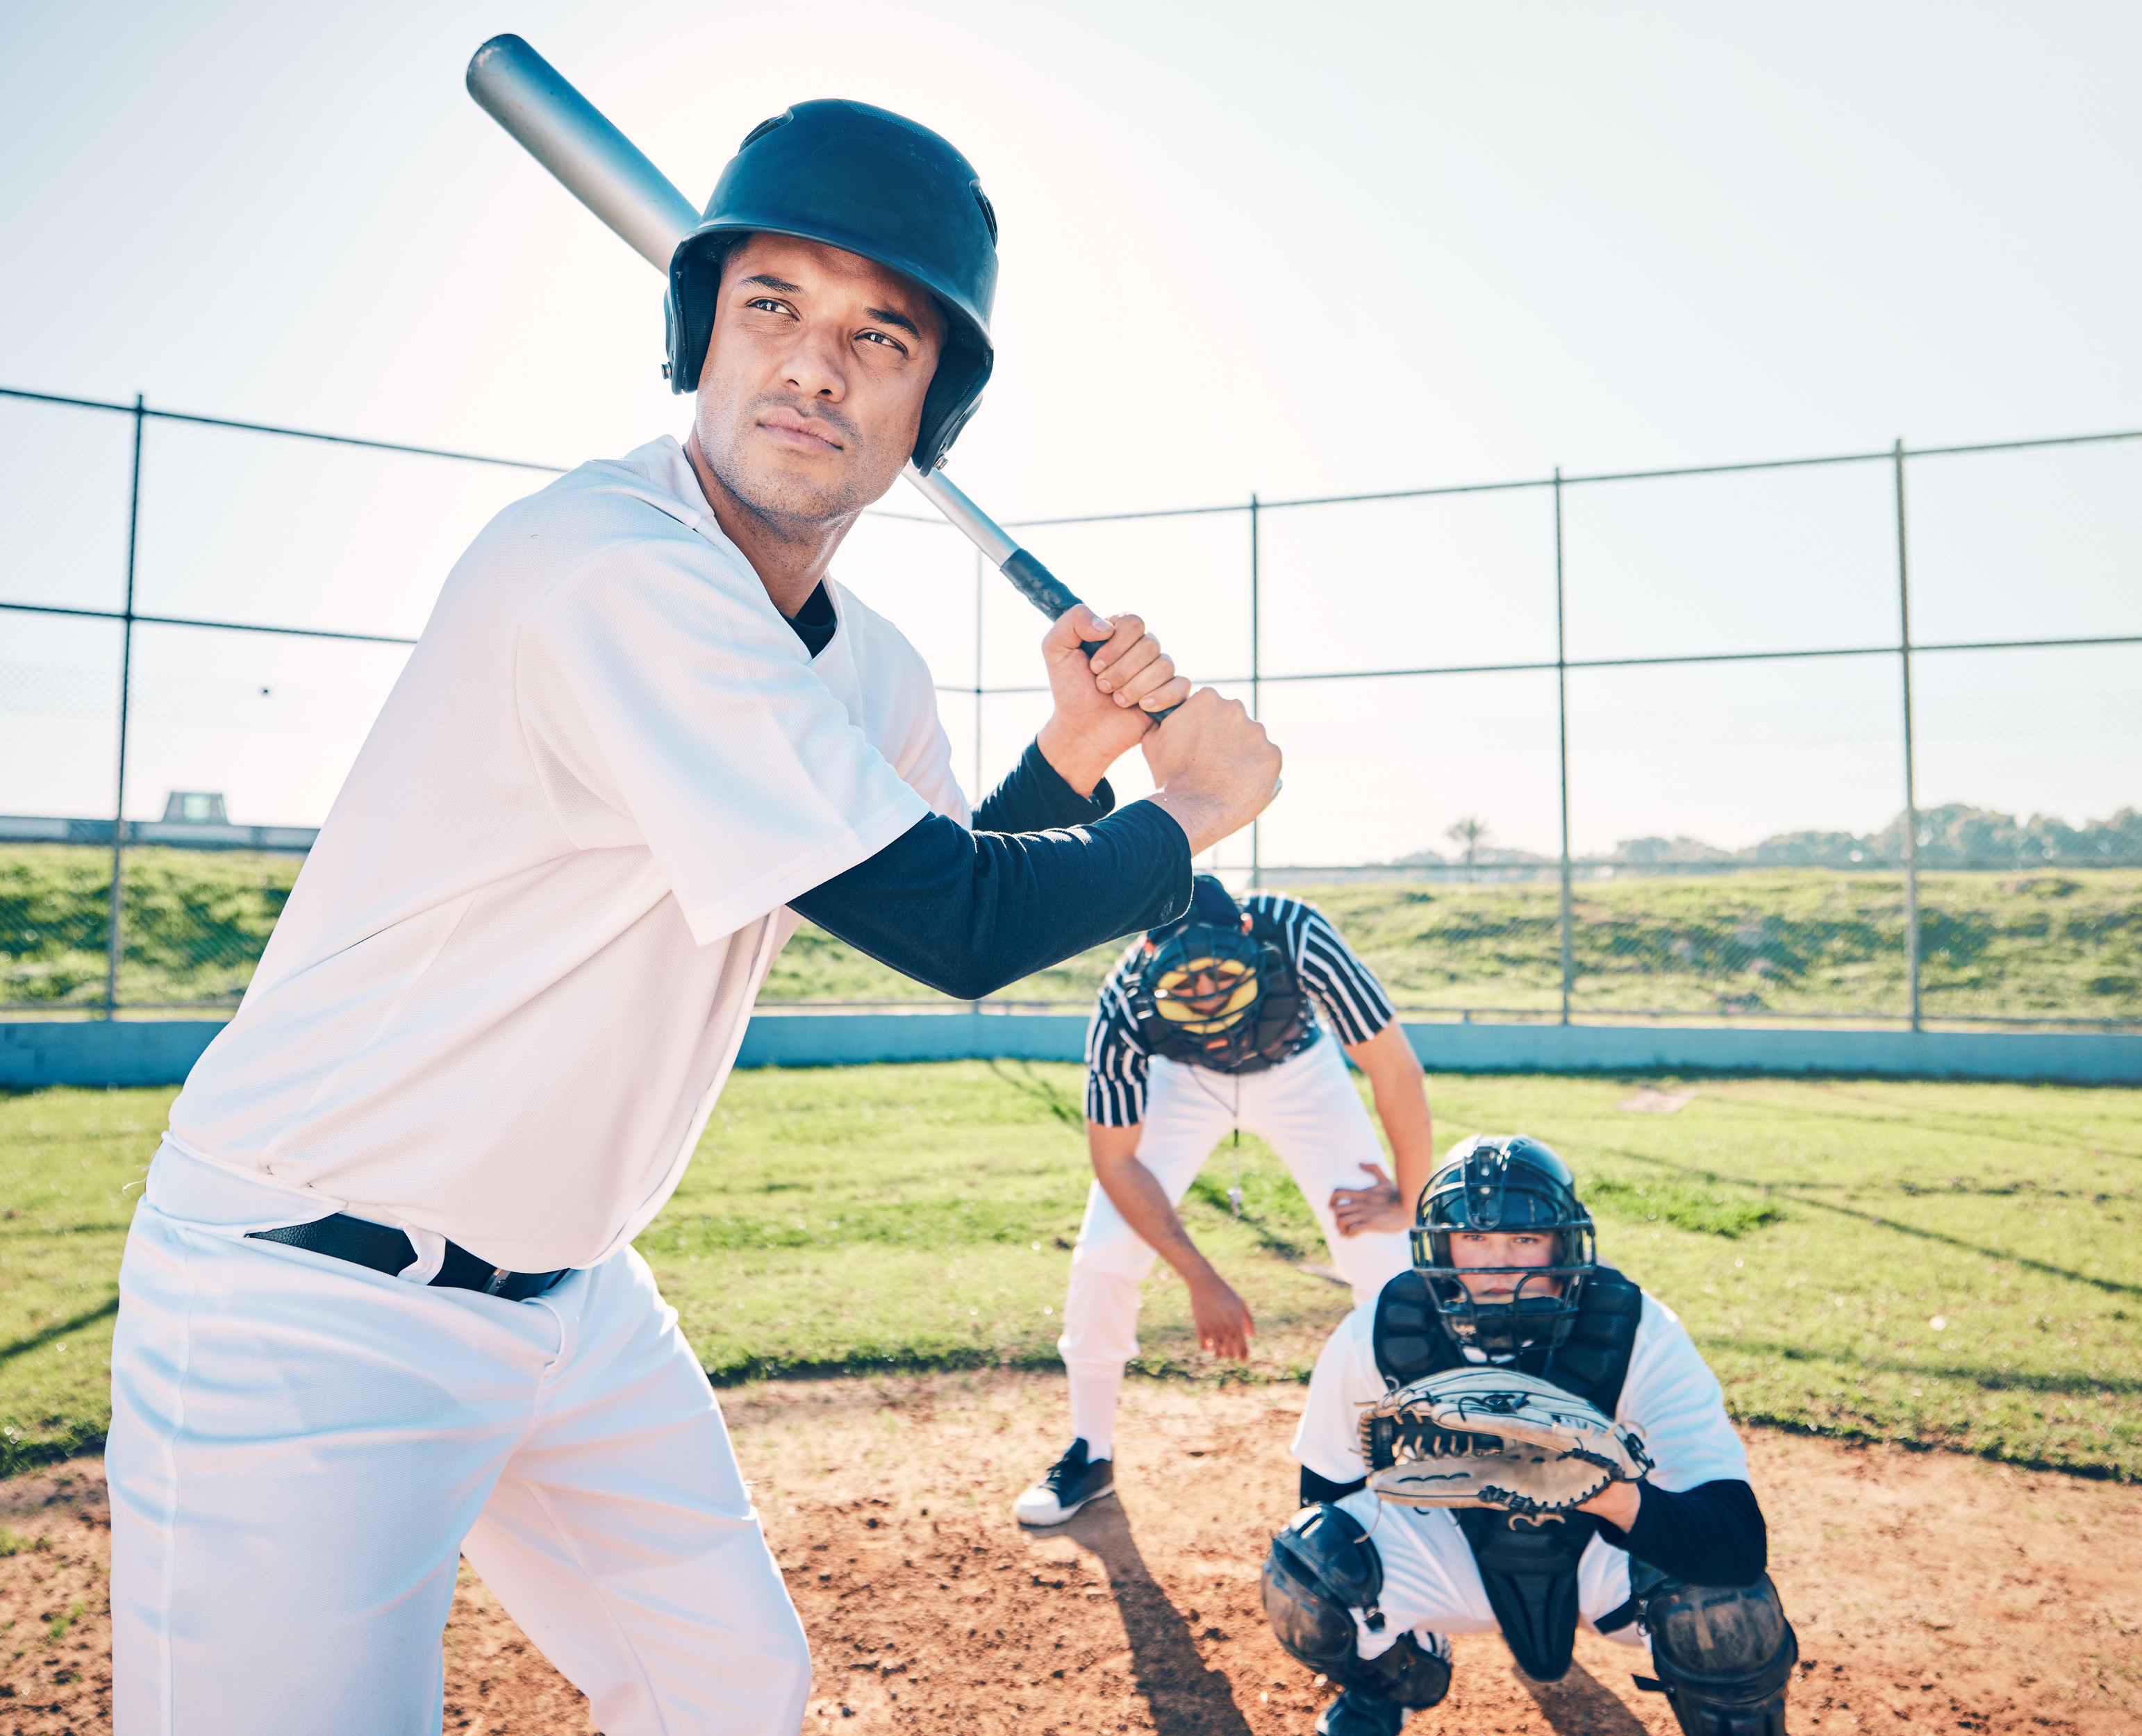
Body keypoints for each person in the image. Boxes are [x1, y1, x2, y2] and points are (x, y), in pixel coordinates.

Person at [106, 99, 1279, 1736]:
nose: (815, 364)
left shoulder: (859, 660)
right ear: (699, 335)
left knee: (723, 1686)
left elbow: (924, 870)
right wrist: (1191, 812)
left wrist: (1075, 763)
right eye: (771, 307)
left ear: (929, 407)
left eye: (879, 334)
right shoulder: (606, 563)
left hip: (571, 1296)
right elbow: (953, 921)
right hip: (308, 1302)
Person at [1259, 1135, 1797, 1736]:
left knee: (1722, 1607)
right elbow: (1326, 1489)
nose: (1496, 1266)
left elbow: (1738, 1543)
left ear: (1563, 1243)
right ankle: (1391, 1683)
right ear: (1441, 1245)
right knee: (1310, 1572)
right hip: (1455, 1551)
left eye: (1524, 1239)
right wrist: (1366, 1606)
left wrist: (1603, 1492)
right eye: (1474, 1239)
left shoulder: (1639, 1332)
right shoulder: (1380, 1332)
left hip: (1604, 1558)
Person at [1013, 873, 1431, 1526]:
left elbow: (1395, 1068)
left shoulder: (1295, 933)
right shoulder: (1126, 999)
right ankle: (1090, 1452)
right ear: (1151, 959)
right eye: (1186, 984)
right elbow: (1115, 1161)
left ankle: (1400, 1451)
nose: (1206, 998)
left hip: (1300, 1070)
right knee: (1102, 1255)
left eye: (1219, 975)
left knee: (1386, 1256)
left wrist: (1410, 1196)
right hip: (1183, 1084)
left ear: (1244, 934)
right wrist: (1200, 1277)